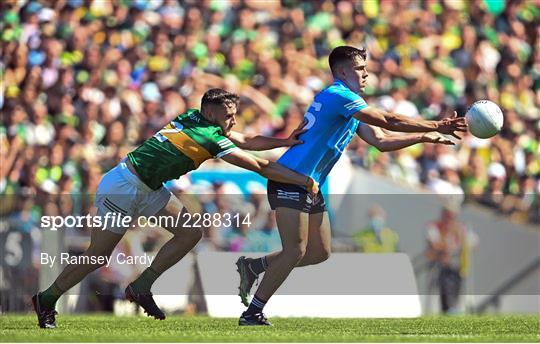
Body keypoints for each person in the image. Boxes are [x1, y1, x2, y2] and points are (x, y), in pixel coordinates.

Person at [31, 88, 319, 329]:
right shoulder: (208, 136)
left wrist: (283, 141)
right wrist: (304, 181)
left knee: (191, 232)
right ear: (209, 114)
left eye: (234, 115)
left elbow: (244, 139)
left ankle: (142, 285)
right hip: (123, 186)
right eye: (228, 116)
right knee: (97, 256)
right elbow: (259, 166)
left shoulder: (196, 119)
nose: (233, 121)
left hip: (149, 187)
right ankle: (46, 299)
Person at [235, 45, 467, 326]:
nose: (366, 74)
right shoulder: (338, 96)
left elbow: (380, 141)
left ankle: (254, 266)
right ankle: (253, 312)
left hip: (311, 184)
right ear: (343, 71)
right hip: (290, 177)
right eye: (360, 69)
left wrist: (422, 137)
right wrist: (436, 125)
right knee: (295, 250)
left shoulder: (349, 104)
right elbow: (388, 119)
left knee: (319, 253)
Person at [425, 202, 470, 314]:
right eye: (449, 216)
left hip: (455, 269)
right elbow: (435, 243)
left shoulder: (459, 228)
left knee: (455, 299)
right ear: (443, 214)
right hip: (439, 268)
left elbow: (473, 242)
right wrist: (447, 246)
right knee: (443, 299)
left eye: (453, 217)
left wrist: (460, 235)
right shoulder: (435, 226)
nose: (451, 220)